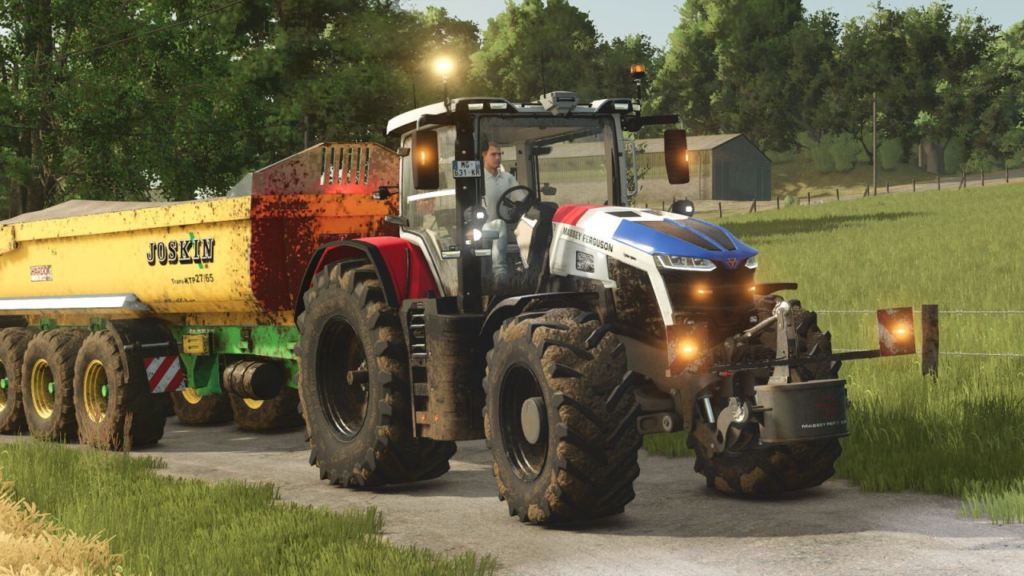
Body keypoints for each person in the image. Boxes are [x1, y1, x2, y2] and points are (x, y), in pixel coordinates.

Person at [480, 141, 517, 284]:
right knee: (499, 224)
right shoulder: (479, 179)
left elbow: (521, 196)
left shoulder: (508, 178)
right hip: (483, 227)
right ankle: (500, 273)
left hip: (508, 226)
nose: (497, 157)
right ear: (484, 155)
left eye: (499, 154)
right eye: (493, 154)